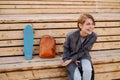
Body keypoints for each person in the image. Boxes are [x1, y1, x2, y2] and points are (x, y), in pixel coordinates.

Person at [61, 13, 97, 80]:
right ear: (80, 25)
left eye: (92, 24)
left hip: (83, 55)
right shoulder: (70, 35)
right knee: (77, 77)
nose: (91, 27)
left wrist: (74, 58)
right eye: (88, 24)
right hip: (69, 57)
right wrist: (70, 60)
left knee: (88, 70)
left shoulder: (93, 36)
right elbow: (66, 50)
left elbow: (85, 51)